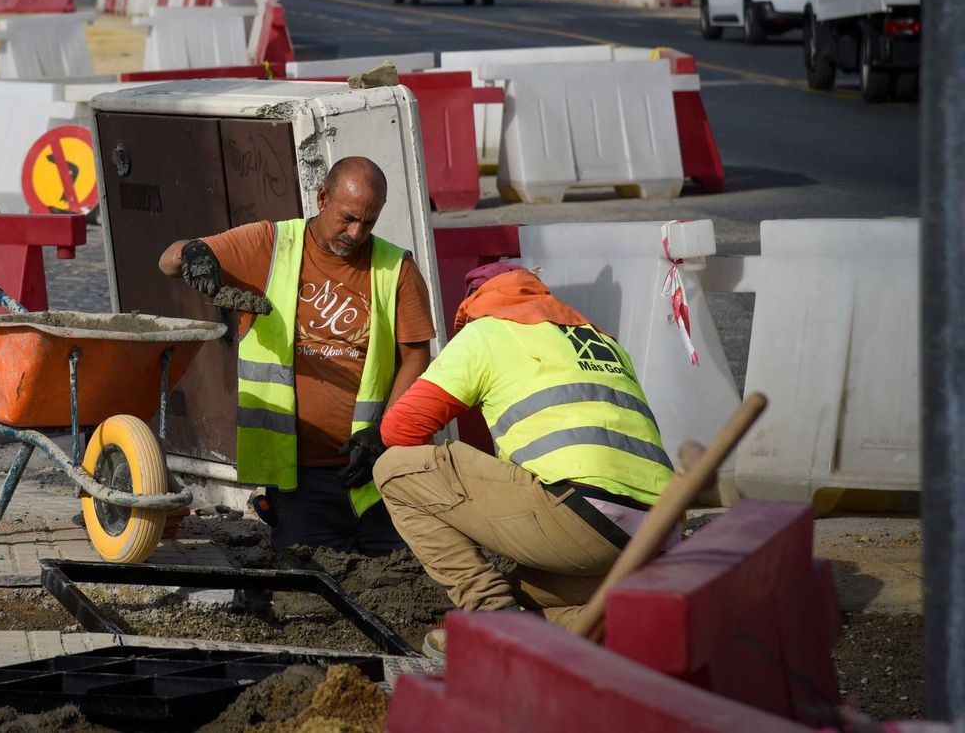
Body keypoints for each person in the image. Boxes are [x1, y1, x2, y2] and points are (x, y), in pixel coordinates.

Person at [368, 261, 675, 653]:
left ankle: (493, 621)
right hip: (655, 539)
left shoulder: (488, 330)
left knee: (395, 470)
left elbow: (401, 430)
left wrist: (463, 498)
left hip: (579, 519)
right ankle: (600, 627)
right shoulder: (602, 340)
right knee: (520, 592)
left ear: (474, 303)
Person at [157, 157, 435, 554]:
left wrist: (384, 434)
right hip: (300, 477)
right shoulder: (272, 245)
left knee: (396, 578)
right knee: (313, 580)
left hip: (375, 469)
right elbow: (169, 259)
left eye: (368, 223)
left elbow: (415, 356)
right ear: (322, 197)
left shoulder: (396, 268)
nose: (355, 233)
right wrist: (195, 254)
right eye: (348, 218)